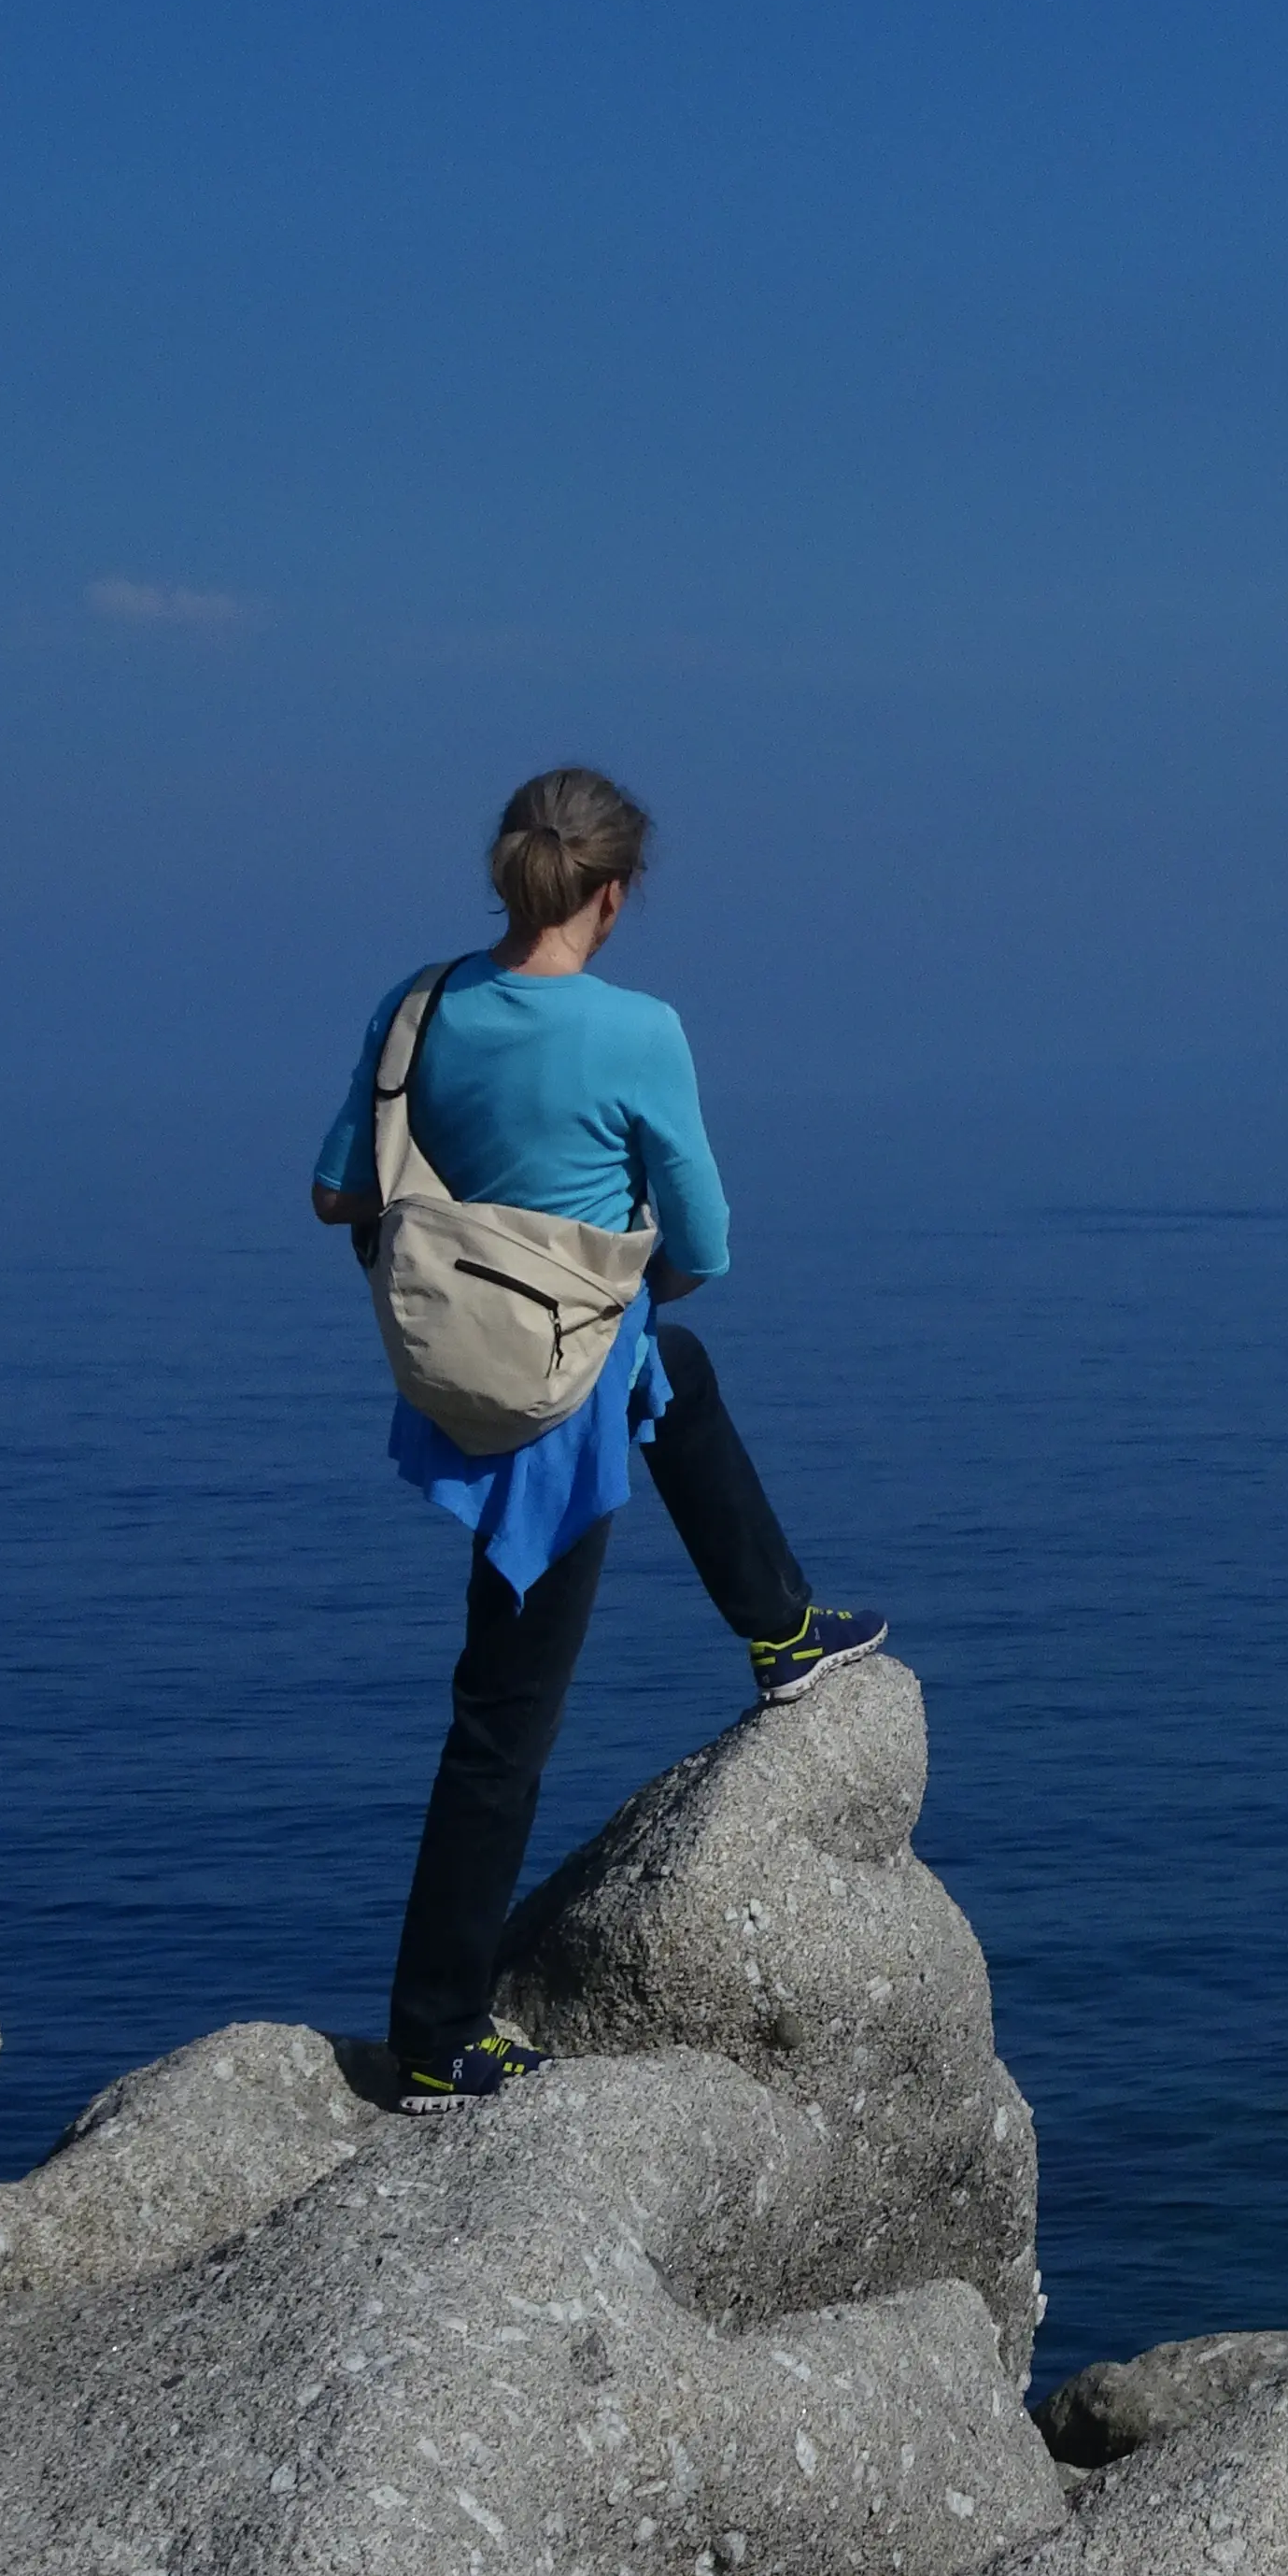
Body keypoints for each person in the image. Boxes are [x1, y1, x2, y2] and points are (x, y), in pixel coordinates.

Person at [312, 764, 884, 2111]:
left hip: (454, 1365)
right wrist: (600, 1272)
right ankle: (439, 2035)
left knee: (670, 1372)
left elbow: (340, 1188)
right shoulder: (637, 1031)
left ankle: (783, 1628)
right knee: (502, 1724)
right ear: (612, 894)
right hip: (549, 1409)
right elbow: (706, 1246)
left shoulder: (419, 1005)